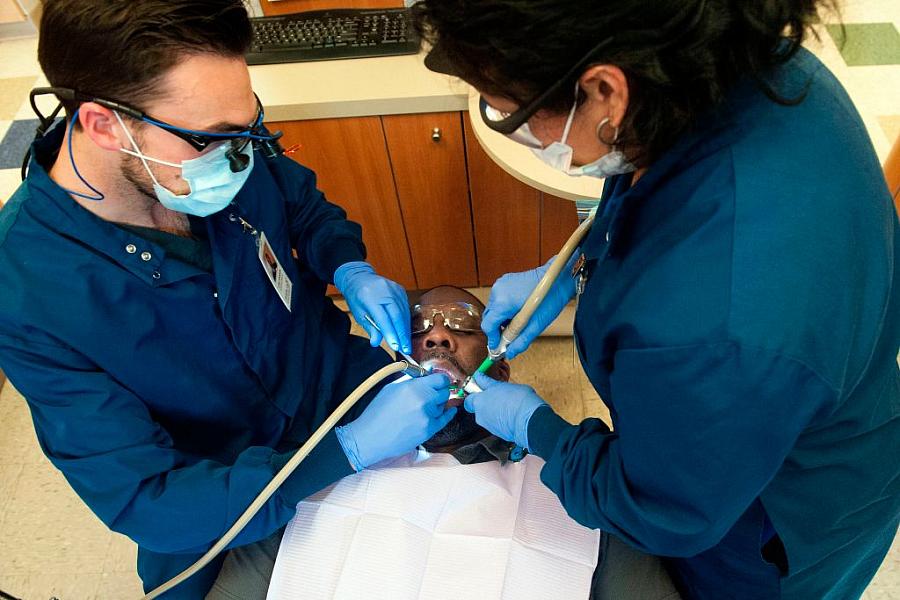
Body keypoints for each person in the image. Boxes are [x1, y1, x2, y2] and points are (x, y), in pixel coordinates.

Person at [413, 2, 900, 599]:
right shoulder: (744, 75)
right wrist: (580, 270)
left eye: (508, 110)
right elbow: (668, 193)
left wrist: (538, 428)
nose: (438, 336)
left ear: (603, 91)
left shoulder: (716, 326)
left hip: (777, 522)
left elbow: (661, 512)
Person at [0, 1, 456, 598]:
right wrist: (343, 455)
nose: (240, 154)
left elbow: (300, 203)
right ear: (105, 124)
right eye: (211, 140)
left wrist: (347, 265)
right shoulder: (28, 293)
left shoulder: (222, 144)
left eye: (249, 124)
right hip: (222, 495)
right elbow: (147, 498)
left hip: (331, 384)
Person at [266, 285, 680, 600]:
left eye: (462, 324)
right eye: (418, 329)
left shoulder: (575, 479)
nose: (437, 337)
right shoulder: (325, 465)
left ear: (500, 370)